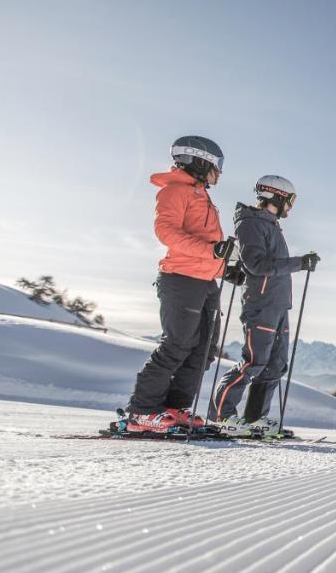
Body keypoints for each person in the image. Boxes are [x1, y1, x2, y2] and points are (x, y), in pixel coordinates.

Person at [120, 136, 234, 434]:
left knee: (204, 350)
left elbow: (206, 244)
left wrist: (225, 268)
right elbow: (167, 232)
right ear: (198, 161)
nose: (219, 173)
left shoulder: (200, 194)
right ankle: (141, 410)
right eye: (216, 166)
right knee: (178, 344)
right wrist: (213, 252)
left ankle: (174, 407)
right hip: (181, 279)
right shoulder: (175, 191)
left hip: (205, 281)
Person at [210, 174, 318, 437]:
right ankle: (221, 417)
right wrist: (299, 263)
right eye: (290, 201)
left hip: (279, 304)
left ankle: (255, 418)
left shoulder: (270, 224)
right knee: (254, 362)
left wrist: (298, 265)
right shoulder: (251, 224)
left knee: (276, 364)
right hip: (261, 304)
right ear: (277, 196)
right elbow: (257, 265)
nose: (291, 208)